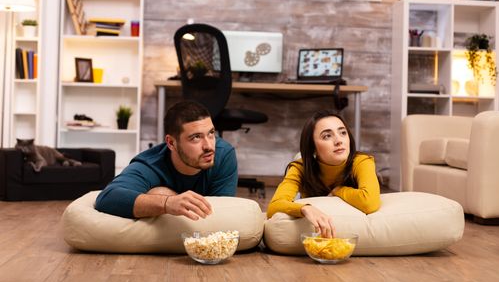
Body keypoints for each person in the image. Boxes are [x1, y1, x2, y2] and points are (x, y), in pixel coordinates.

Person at [95, 100, 238, 220]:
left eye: (211, 133)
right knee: (161, 192)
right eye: (196, 137)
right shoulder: (150, 165)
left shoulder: (223, 154)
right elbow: (107, 198)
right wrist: (167, 203)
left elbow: (222, 214)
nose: (208, 146)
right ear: (171, 143)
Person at [266, 109, 381, 238]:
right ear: (313, 147)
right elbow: (273, 207)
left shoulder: (362, 161)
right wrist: (305, 209)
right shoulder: (300, 168)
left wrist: (338, 190)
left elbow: (370, 203)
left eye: (343, 133)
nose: (339, 141)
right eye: (327, 136)